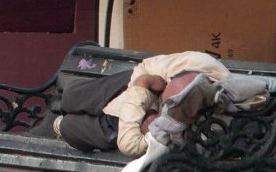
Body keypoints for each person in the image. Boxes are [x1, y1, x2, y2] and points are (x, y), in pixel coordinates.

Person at [50, 51, 230, 157]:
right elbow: (144, 67)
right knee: (72, 95)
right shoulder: (198, 63)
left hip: (132, 122)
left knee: (70, 127)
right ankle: (63, 105)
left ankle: (64, 124)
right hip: (132, 90)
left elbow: (129, 143)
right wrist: (147, 90)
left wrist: (144, 89)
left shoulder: (201, 124)